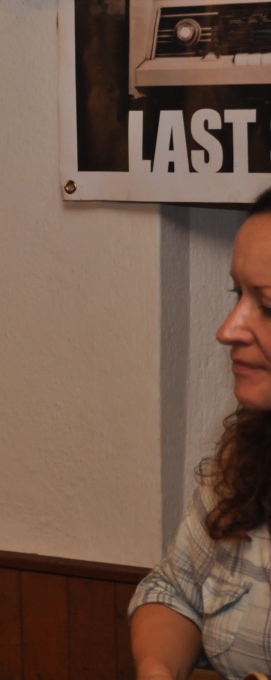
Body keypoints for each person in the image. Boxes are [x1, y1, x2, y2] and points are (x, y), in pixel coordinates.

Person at [129, 188, 271, 680]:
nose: (228, 329)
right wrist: (157, 669)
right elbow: (174, 589)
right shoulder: (245, 467)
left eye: (267, 305)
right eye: (237, 295)